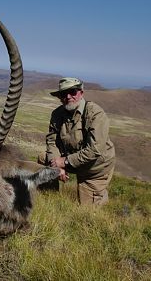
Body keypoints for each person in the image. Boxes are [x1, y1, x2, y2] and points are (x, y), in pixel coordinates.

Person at [38, 77, 115, 205]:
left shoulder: (95, 114)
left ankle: (99, 194)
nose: (68, 96)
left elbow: (94, 150)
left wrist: (64, 161)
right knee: (43, 158)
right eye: (63, 93)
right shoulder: (57, 114)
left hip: (94, 168)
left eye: (73, 92)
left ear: (81, 93)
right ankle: (49, 198)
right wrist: (56, 166)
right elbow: (52, 142)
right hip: (71, 159)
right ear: (59, 97)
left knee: (88, 214)